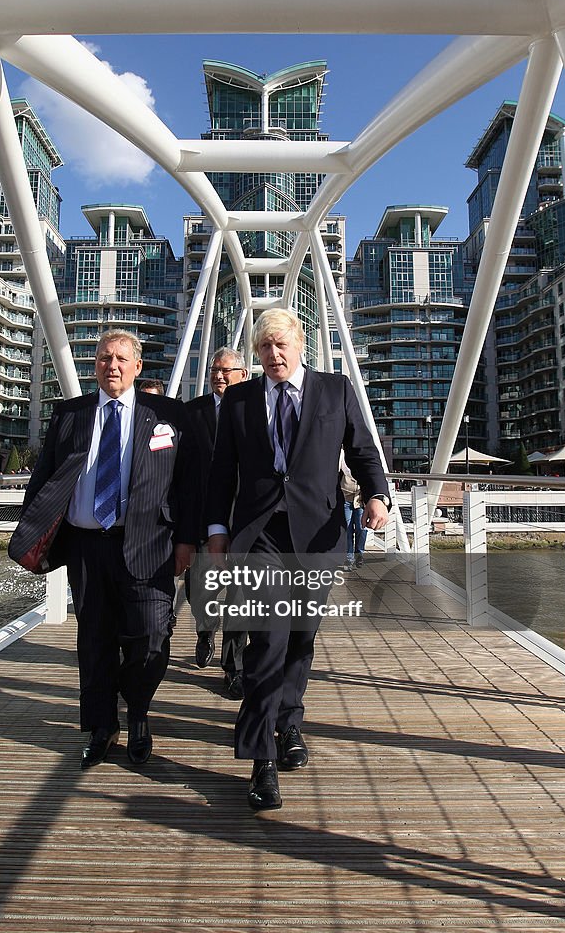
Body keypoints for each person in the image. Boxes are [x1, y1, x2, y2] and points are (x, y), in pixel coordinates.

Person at [207, 308, 390, 811]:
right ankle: (261, 758)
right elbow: (223, 470)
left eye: (280, 345)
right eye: (264, 348)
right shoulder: (241, 399)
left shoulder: (334, 390)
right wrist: (217, 529)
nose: (273, 356)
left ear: (300, 344)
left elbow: (363, 450)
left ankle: (290, 723)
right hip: (261, 535)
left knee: (302, 636)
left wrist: (377, 496)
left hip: (317, 534)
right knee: (268, 638)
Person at [9, 329, 198, 770]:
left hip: (150, 545)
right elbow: (45, 477)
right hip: (87, 547)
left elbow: (189, 483)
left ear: (137, 367)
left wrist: (188, 540)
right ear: (94, 365)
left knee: (151, 635)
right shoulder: (70, 414)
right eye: (103, 358)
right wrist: (35, 530)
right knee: (94, 639)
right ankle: (101, 726)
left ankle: (137, 712)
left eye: (120, 359)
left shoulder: (168, 414)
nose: (111, 365)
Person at [185, 347, 249, 699]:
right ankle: (204, 631)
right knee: (201, 592)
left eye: (226, 371)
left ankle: (233, 668)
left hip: (242, 519)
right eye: (214, 370)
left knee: (239, 598)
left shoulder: (254, 412)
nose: (219, 376)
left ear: (243, 374)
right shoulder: (191, 412)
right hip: (202, 517)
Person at [340, 453, 367, 570]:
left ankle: (359, 554)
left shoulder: (363, 454)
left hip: (360, 499)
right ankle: (349, 559)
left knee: (361, 528)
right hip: (346, 497)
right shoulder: (341, 454)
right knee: (347, 528)